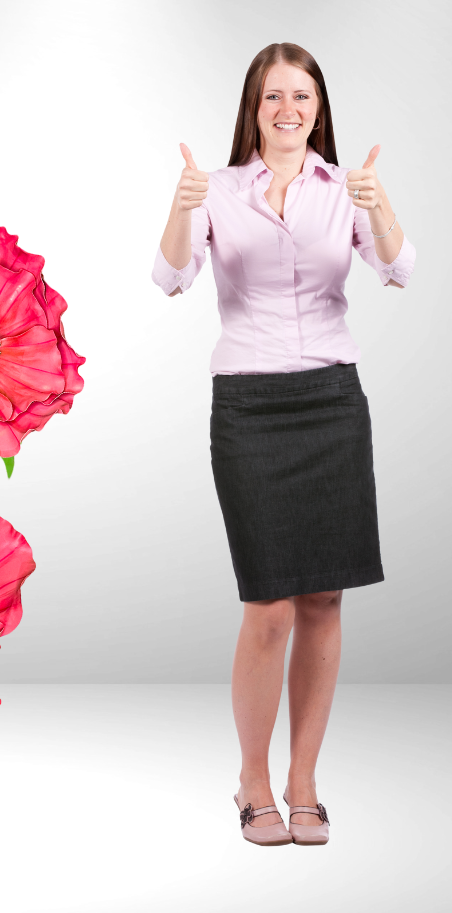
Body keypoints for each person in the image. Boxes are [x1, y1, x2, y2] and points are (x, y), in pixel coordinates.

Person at [153, 42, 415, 846]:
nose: (288, 109)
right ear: (254, 109)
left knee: (325, 600)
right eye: (274, 97)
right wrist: (180, 202)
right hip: (249, 407)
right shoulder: (219, 190)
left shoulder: (346, 188)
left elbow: (403, 269)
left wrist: (377, 203)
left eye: (301, 96)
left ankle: (304, 782)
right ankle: (253, 780)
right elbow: (167, 280)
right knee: (268, 606)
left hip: (333, 401)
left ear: (319, 109)